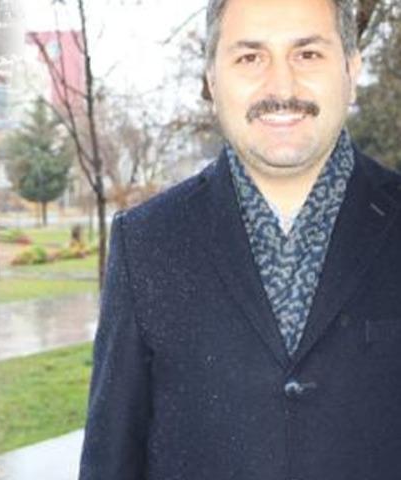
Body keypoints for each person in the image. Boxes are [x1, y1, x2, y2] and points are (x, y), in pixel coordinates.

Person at [79, 0, 401, 478]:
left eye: (307, 54)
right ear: (212, 78)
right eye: (250, 57)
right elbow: (112, 458)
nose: (281, 87)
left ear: (351, 69)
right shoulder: (145, 244)